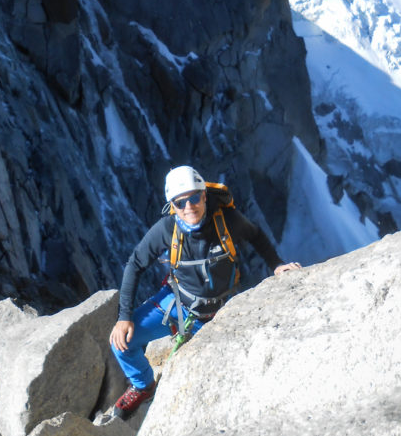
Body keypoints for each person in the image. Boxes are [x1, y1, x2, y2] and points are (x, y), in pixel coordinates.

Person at [109, 164, 301, 419]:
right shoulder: (167, 229)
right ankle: (144, 386)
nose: (189, 207)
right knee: (122, 344)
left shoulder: (226, 220)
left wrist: (277, 265)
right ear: (172, 206)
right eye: (180, 202)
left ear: (204, 195)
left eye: (194, 197)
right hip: (179, 305)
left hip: (224, 310)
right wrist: (124, 317)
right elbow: (135, 264)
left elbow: (255, 235)